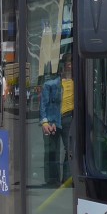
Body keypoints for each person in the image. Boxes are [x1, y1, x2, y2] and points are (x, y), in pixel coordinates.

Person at [39, 53, 74, 187]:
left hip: (69, 119)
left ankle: (67, 178)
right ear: (63, 64)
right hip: (53, 120)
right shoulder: (51, 84)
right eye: (67, 62)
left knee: (70, 149)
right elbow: (44, 104)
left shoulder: (78, 82)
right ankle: (52, 180)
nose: (69, 64)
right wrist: (45, 122)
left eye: (71, 62)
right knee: (52, 150)